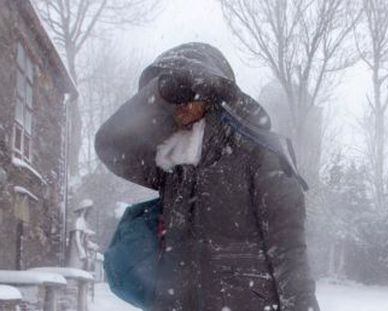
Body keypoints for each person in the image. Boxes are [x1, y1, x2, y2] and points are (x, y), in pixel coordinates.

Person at [95, 42, 319, 311]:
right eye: (173, 95)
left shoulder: (260, 153)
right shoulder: (174, 163)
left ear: (213, 92)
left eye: (188, 92)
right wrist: (157, 91)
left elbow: (290, 252)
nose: (180, 103)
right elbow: (110, 145)